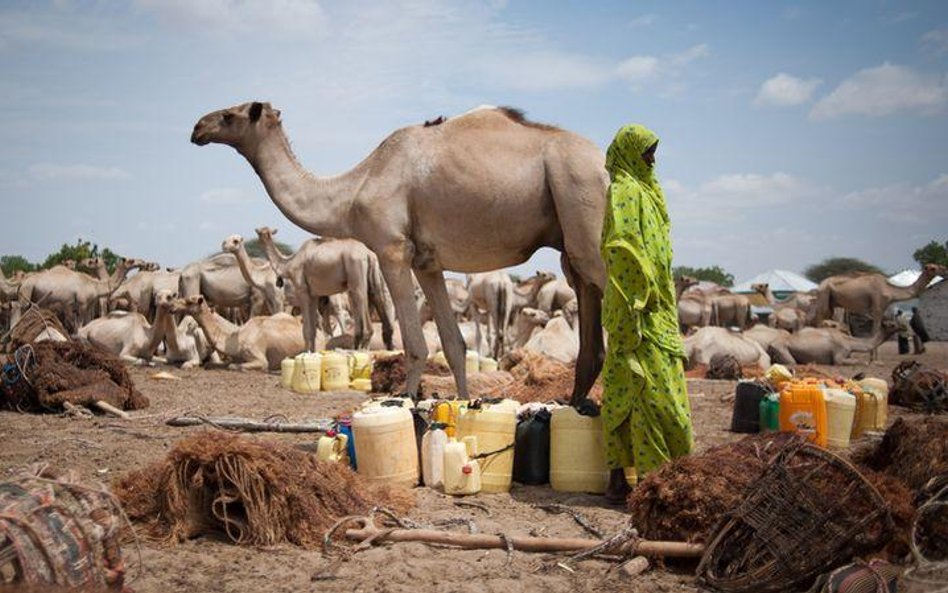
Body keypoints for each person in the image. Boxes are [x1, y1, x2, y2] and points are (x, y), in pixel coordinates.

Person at [599, 124, 694, 504]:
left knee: (658, 394)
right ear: (629, 154)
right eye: (646, 152)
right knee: (640, 394)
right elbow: (620, 246)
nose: (652, 159)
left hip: (659, 313)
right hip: (635, 313)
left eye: (653, 152)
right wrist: (641, 293)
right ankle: (636, 480)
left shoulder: (649, 193)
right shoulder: (622, 190)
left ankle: (653, 476)